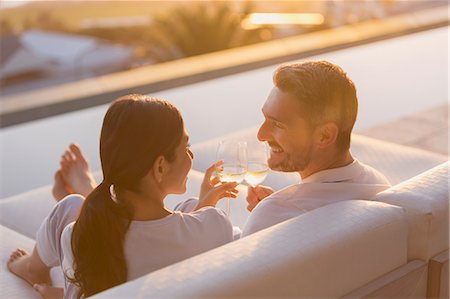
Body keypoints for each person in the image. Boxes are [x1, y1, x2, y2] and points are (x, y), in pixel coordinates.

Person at [7, 94, 239, 299]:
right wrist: (205, 211)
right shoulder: (214, 226)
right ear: (160, 167)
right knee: (187, 206)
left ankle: (34, 266)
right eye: (186, 147)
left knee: (72, 205)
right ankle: (86, 188)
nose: (191, 156)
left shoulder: (78, 236)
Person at [241, 61, 391, 236]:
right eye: (265, 118)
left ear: (325, 136)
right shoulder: (378, 185)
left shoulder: (274, 214)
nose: (261, 135)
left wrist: (205, 216)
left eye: (277, 124)